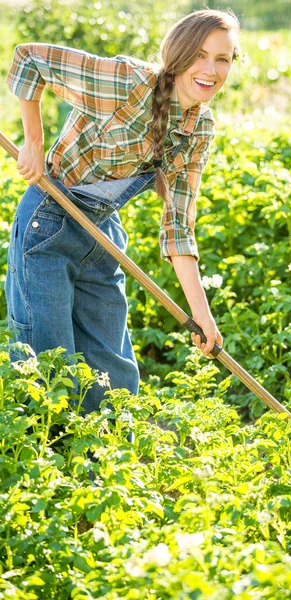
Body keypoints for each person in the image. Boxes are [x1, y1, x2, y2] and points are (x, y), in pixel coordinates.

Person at [5, 9, 242, 414]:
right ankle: (51, 467)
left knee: (112, 372)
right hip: (48, 222)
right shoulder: (128, 83)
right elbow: (30, 58)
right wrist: (33, 142)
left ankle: (109, 466)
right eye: (200, 55)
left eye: (222, 58)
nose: (210, 70)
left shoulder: (198, 128)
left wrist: (202, 316)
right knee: (47, 363)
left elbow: (178, 226)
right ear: (177, 53)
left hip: (101, 235)